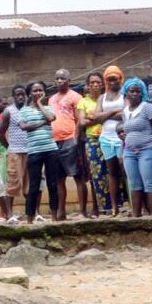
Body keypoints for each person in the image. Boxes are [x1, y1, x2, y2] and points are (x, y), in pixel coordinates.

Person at [118, 77, 152, 217]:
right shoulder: (125, 111)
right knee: (134, 184)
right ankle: (137, 216)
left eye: (138, 91)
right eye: (132, 91)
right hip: (130, 152)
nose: (135, 94)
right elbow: (126, 129)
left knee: (150, 183)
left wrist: (148, 138)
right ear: (126, 93)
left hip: (147, 150)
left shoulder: (147, 107)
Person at [18, 80, 61, 224]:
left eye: (40, 90)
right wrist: (43, 123)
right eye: (35, 91)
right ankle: (30, 220)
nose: (37, 93)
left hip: (51, 150)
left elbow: (51, 118)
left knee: (53, 184)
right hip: (34, 151)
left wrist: (41, 104)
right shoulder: (24, 110)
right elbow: (24, 127)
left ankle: (54, 217)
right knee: (34, 186)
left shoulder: (48, 107)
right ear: (29, 94)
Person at [49, 68, 83, 220]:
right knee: (58, 179)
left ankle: (82, 211)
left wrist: (76, 139)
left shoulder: (75, 97)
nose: (59, 81)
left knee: (77, 176)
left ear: (69, 80)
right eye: (57, 78)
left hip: (70, 140)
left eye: (63, 78)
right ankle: (61, 212)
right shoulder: (51, 99)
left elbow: (79, 120)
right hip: (54, 142)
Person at [95, 65, 129, 214]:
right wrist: (115, 111)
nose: (112, 82)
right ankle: (115, 207)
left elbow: (126, 114)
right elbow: (96, 117)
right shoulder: (102, 97)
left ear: (120, 79)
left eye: (114, 79)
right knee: (112, 173)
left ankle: (133, 205)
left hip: (122, 138)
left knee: (126, 172)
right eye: (109, 79)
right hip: (106, 138)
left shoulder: (125, 95)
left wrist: (106, 114)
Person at [0, 84, 29, 222]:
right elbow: (0, 134)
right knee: (12, 183)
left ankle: (32, 213)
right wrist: (10, 146)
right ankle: (9, 214)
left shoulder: (30, 110)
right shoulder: (8, 111)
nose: (21, 97)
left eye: (23, 94)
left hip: (30, 151)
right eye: (18, 95)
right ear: (13, 97)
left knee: (31, 183)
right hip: (14, 152)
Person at [76, 72, 106, 217]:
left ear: (102, 84)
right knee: (95, 174)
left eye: (98, 82)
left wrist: (93, 117)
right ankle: (97, 208)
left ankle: (114, 206)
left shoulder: (107, 99)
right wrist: (103, 116)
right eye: (92, 82)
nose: (95, 84)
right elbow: (82, 122)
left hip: (109, 138)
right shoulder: (83, 102)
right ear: (87, 85)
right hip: (92, 139)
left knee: (112, 173)